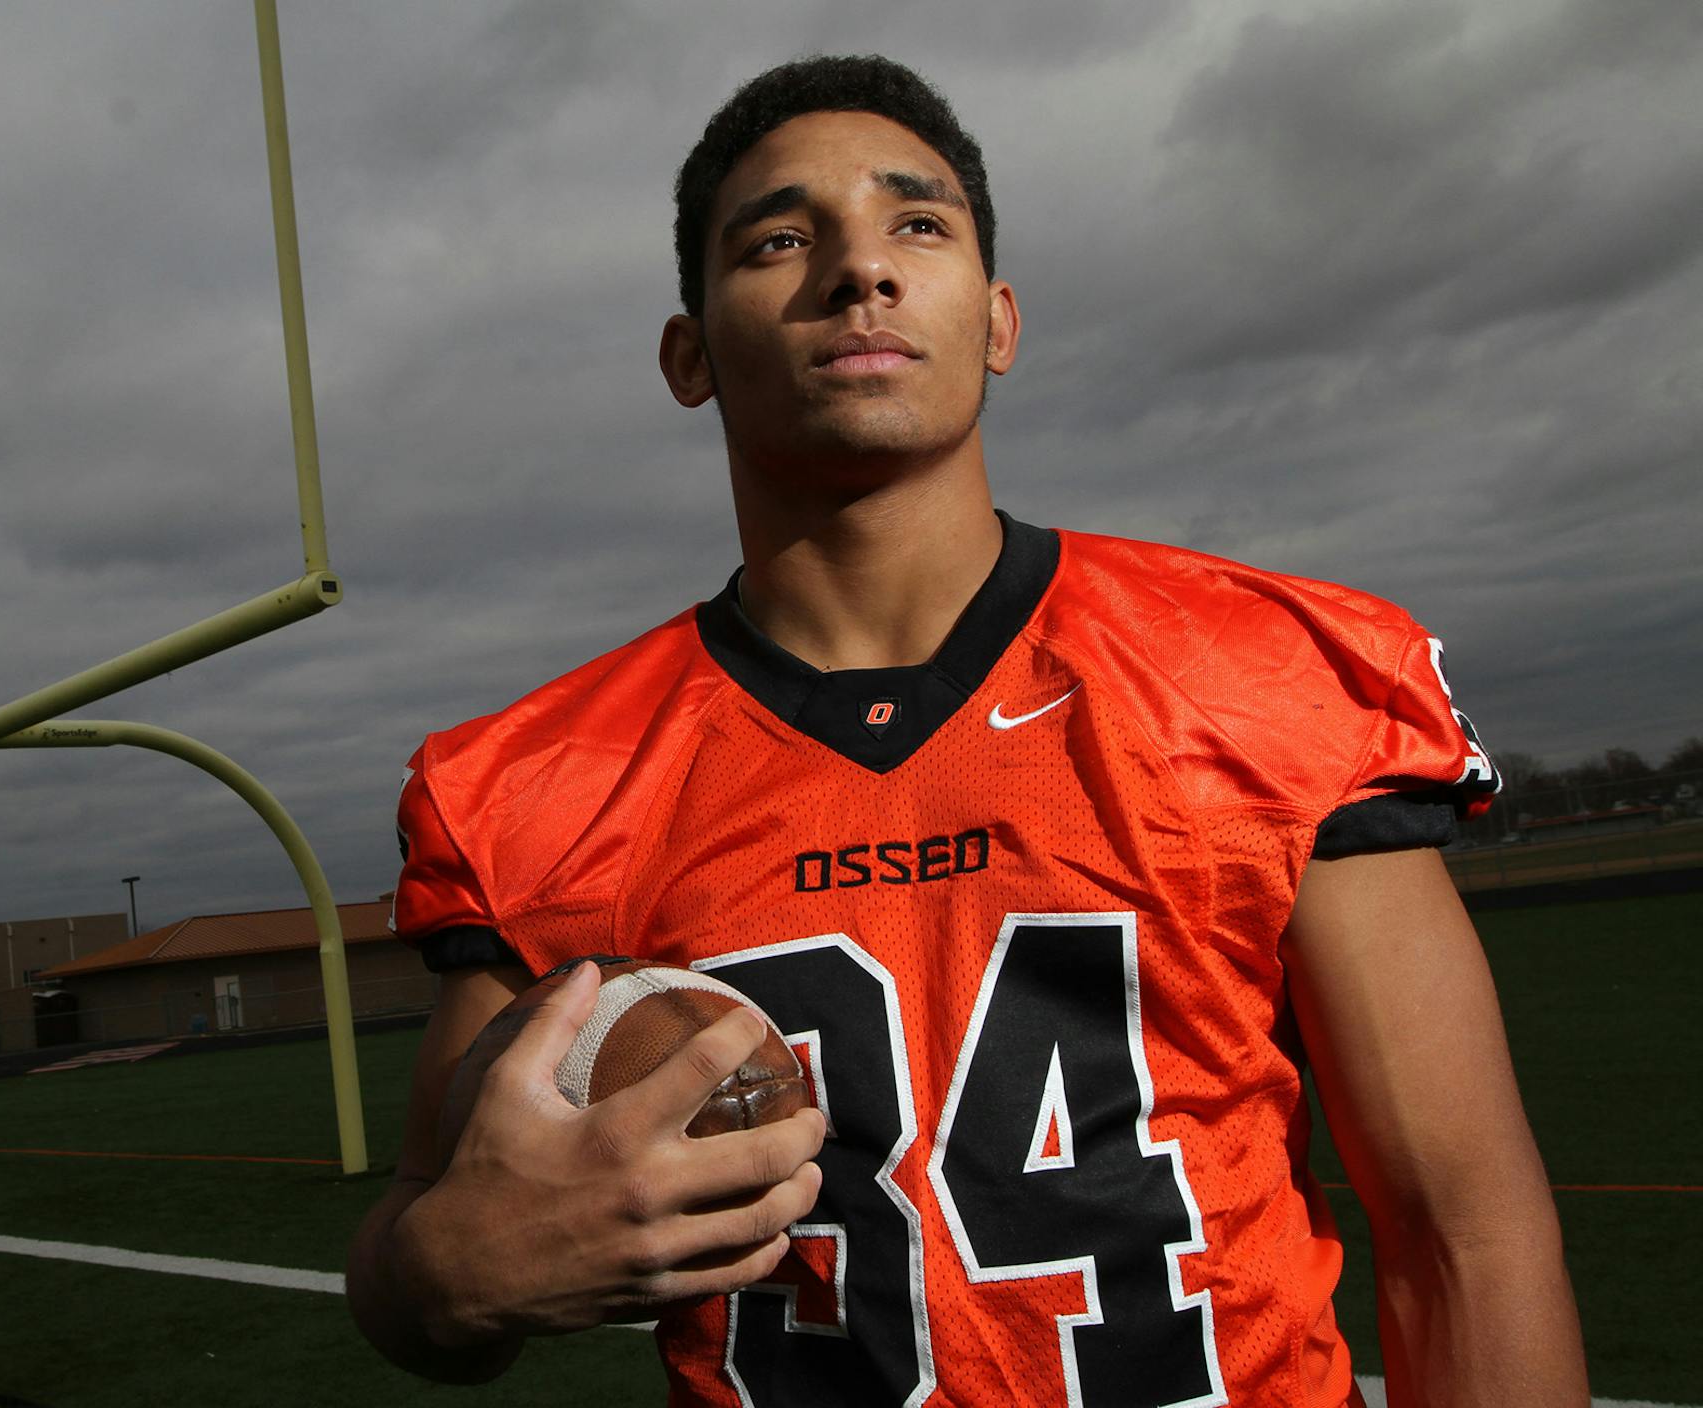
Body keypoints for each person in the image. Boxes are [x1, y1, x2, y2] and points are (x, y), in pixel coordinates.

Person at [348, 54, 1587, 1407]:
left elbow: (1462, 1236)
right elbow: (422, 1252)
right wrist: (450, 1276)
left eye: (915, 225)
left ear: (997, 320)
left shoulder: (1263, 675)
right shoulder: (539, 784)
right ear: (688, 354)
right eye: (779, 238)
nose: (858, 271)